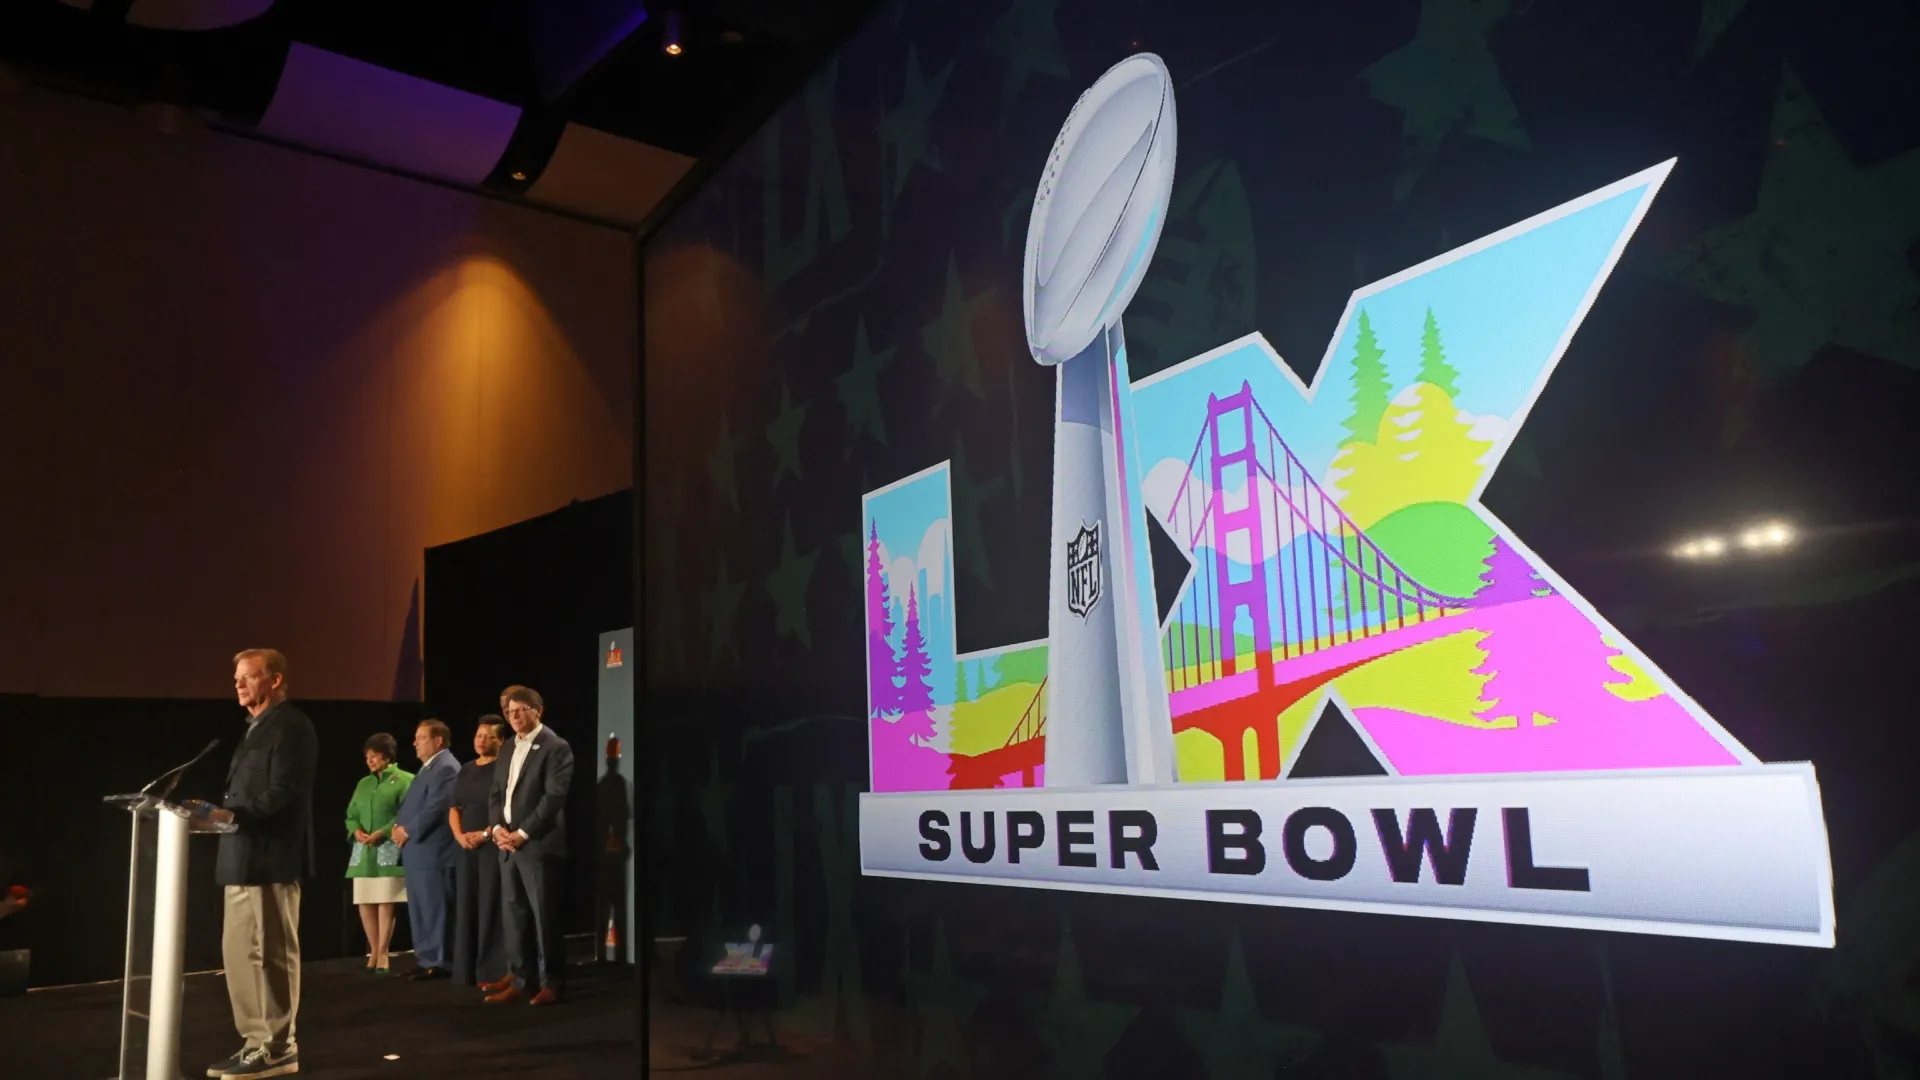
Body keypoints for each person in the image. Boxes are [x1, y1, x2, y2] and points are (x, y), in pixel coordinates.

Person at [197, 649, 317, 1080]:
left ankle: (280, 1046)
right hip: (239, 858)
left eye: (248, 676)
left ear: (275, 680)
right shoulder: (253, 728)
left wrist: (233, 815)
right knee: (239, 955)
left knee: (271, 955)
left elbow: (284, 790)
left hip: (271, 859)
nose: (238, 683)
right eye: (237, 677)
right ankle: (254, 1041)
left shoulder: (292, 726)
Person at [483, 686, 573, 1006]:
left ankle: (552, 983)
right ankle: (522, 981)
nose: (515, 716)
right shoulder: (508, 746)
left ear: (538, 710)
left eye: (521, 710)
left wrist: (523, 833)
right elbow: (497, 792)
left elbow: (554, 797)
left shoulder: (555, 746)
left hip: (537, 846)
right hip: (507, 846)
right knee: (514, 916)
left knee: (543, 918)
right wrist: (497, 828)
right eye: (510, 712)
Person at [393, 719, 459, 980]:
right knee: (420, 909)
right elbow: (413, 805)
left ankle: (440, 961)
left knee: (435, 909)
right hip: (418, 852)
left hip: (434, 853)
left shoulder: (446, 767)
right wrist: (398, 827)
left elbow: (437, 807)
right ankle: (425, 958)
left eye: (421, 738)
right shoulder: (428, 768)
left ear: (438, 740)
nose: (415, 743)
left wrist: (407, 830)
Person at [344, 733, 412, 974]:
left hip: (388, 846)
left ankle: (383, 952)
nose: (370, 761)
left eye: (374, 756)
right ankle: (373, 950)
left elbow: (406, 813)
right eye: (367, 757)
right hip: (363, 849)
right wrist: (356, 831)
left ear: (387, 756)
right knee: (364, 899)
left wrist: (383, 832)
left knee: (385, 900)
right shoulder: (363, 783)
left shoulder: (405, 780)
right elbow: (351, 814)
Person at [449, 717, 508, 987]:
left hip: (491, 845)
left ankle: (491, 971)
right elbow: (454, 808)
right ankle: (465, 970)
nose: (481, 740)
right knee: (466, 903)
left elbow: (506, 808)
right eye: (478, 735)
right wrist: (460, 836)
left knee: (489, 902)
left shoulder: (503, 769)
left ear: (501, 741)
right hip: (465, 847)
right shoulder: (466, 769)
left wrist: (485, 834)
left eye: (488, 736)